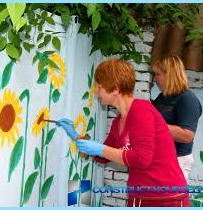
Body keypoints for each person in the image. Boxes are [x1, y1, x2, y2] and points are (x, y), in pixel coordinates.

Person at [57, 58, 190, 207]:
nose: (95, 91)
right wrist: (75, 136)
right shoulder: (118, 121)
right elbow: (102, 157)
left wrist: (101, 149)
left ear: (115, 89)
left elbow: (141, 159)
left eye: (99, 86)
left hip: (166, 197)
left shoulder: (142, 111)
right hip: (139, 195)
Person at [152, 55, 202, 181]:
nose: (155, 78)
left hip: (177, 161)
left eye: (158, 74)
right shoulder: (162, 97)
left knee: (169, 201)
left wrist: (154, 124)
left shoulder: (187, 99)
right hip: (160, 159)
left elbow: (187, 136)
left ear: (169, 74)